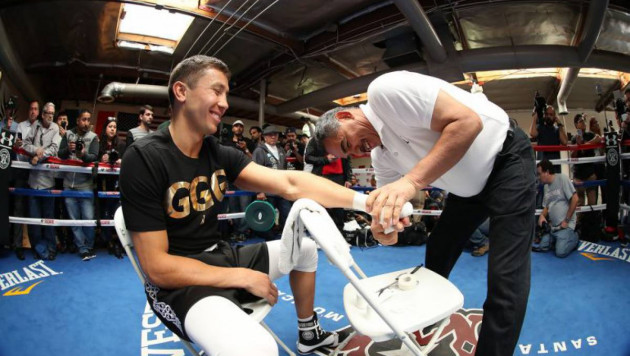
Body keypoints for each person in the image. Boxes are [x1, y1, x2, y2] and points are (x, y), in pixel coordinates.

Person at [119, 55, 365, 356]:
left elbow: (292, 183)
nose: (224, 103)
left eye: (226, 94)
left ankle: (308, 333)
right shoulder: (144, 157)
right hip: (178, 285)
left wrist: (368, 202)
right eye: (216, 90)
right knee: (257, 349)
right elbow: (158, 268)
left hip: (220, 256)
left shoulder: (216, 151)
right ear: (181, 92)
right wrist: (239, 276)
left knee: (305, 249)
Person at [315, 70, 536, 356]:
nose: (356, 151)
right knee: (439, 249)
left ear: (345, 116)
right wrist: (386, 225)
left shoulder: (385, 91)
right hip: (467, 191)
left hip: (507, 162)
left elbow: (468, 122)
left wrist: (410, 182)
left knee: (506, 277)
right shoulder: (380, 156)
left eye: (348, 143)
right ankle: (424, 319)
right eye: (348, 154)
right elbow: (396, 204)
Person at [58, 109, 99, 261]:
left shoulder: (94, 137)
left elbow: (94, 156)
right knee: (74, 220)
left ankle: (89, 245)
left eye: (88, 120)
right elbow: (60, 154)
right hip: (69, 183)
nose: (86, 123)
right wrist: (68, 149)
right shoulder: (68, 134)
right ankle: (82, 248)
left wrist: (83, 156)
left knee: (88, 218)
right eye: (83, 119)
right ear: (77, 120)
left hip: (86, 184)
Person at [22, 102, 61, 260]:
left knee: (48, 219)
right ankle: (39, 249)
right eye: (48, 113)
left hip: (48, 182)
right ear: (42, 114)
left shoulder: (56, 128)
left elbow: (54, 148)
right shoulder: (36, 126)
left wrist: (40, 156)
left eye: (53, 113)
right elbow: (25, 144)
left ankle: (51, 249)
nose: (51, 115)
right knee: (34, 220)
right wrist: (35, 151)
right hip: (33, 182)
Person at [10, 100, 40, 260]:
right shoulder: (20, 126)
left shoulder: (43, 128)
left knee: (34, 210)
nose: (33, 111)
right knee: (18, 208)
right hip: (21, 171)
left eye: (36, 109)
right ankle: (17, 245)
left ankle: (37, 246)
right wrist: (17, 145)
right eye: (31, 109)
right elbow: (14, 147)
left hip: (37, 173)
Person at [305, 136, 352, 232]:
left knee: (339, 207)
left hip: (339, 177)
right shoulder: (316, 140)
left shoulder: (342, 139)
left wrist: (348, 179)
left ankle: (340, 235)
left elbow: (347, 160)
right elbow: (308, 158)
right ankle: (320, 234)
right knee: (321, 206)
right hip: (322, 177)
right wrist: (325, 159)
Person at [252, 125, 292, 236]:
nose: (273, 136)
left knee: (287, 213)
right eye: (270, 135)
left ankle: (284, 236)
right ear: (265, 137)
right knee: (268, 216)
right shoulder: (259, 151)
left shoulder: (281, 150)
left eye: (276, 134)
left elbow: (284, 170)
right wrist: (259, 191)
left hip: (281, 190)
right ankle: (269, 240)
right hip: (267, 190)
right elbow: (255, 172)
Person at [534, 160, 579, 257]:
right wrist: (542, 215)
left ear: (546, 172)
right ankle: (559, 240)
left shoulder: (562, 178)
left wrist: (567, 220)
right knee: (543, 246)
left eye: (539, 174)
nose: (538, 177)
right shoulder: (546, 187)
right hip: (553, 228)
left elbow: (575, 199)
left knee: (560, 252)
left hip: (566, 226)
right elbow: (547, 205)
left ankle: (575, 237)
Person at [97, 117, 125, 258]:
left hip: (117, 184)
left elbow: (127, 159)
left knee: (117, 213)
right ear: (105, 128)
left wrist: (121, 160)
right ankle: (107, 241)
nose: (112, 129)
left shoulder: (121, 144)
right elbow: (92, 160)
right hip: (102, 184)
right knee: (105, 213)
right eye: (110, 126)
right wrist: (101, 159)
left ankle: (119, 243)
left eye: (114, 126)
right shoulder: (99, 144)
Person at [570, 113, 600, 207]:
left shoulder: (590, 135)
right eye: (580, 121)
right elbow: (572, 156)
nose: (583, 123)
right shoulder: (574, 138)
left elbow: (598, 138)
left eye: (584, 121)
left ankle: (591, 221)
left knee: (592, 202)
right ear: (576, 125)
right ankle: (580, 222)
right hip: (578, 174)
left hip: (590, 172)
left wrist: (585, 145)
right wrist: (578, 146)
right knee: (580, 202)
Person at [529, 105, 567, 173]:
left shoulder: (557, 129)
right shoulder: (540, 127)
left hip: (555, 166)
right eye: (546, 114)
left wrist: (559, 124)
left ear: (554, 116)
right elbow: (532, 133)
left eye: (551, 114)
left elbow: (565, 142)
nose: (548, 116)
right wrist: (535, 118)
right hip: (543, 166)